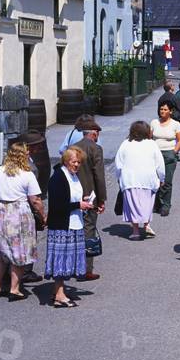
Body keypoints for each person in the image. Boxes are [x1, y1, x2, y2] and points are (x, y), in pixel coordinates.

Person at [0, 142, 46, 301]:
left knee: (0, 252)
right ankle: (14, 289)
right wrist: (43, 216)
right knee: (19, 251)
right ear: (23, 155)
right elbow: (35, 199)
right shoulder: (26, 173)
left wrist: (0, 195)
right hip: (18, 213)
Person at [45, 147, 94, 308]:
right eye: (74, 162)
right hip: (62, 225)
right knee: (62, 261)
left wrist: (85, 201)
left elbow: (72, 197)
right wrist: (78, 204)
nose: (77, 165)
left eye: (79, 162)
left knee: (68, 259)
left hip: (74, 222)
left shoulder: (73, 176)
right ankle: (59, 295)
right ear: (66, 161)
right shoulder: (58, 177)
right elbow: (57, 205)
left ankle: (57, 290)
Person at [115, 120, 165, 240]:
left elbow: (118, 164)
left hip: (130, 179)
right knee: (147, 203)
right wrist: (162, 178)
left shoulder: (125, 144)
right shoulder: (152, 144)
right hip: (148, 179)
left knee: (132, 204)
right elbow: (160, 164)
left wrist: (119, 178)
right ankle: (147, 225)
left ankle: (136, 231)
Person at [75, 118, 107, 281]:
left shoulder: (73, 148)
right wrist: (102, 200)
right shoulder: (96, 149)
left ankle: (72, 264)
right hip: (90, 195)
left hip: (74, 196)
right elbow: (99, 176)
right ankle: (86, 269)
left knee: (74, 230)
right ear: (94, 133)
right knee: (88, 230)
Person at [150, 103, 180, 217]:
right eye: (161, 109)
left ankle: (166, 205)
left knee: (167, 181)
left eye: (165, 109)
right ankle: (156, 204)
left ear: (170, 111)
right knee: (155, 180)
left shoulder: (176, 124)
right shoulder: (154, 122)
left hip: (169, 153)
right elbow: (149, 138)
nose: (162, 111)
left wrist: (174, 152)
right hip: (155, 154)